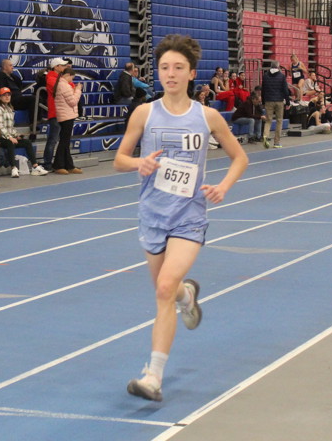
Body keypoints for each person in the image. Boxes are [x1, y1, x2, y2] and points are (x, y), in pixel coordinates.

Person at [114, 34, 248, 402]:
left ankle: (153, 376)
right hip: (152, 214)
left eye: (178, 67)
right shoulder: (145, 113)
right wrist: (139, 163)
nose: (170, 74)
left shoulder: (207, 116)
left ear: (191, 73)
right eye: (164, 68)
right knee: (169, 290)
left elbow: (240, 157)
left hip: (189, 215)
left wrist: (222, 187)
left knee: (162, 289)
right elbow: (119, 159)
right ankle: (187, 295)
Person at [0, 87, 47, 177]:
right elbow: (0, 127)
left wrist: (17, 135)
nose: (7, 97)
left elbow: (11, 127)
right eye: (4, 95)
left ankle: (35, 167)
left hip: (10, 136)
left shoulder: (10, 109)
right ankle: (13, 168)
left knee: (27, 142)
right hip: (1, 138)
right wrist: (9, 137)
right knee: (10, 143)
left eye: (8, 95)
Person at [52, 65, 83, 175]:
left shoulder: (62, 84)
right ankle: (58, 165)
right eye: (72, 78)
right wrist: (78, 90)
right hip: (66, 116)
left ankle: (69, 165)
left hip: (66, 115)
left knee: (65, 142)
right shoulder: (64, 85)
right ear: (68, 75)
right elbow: (73, 101)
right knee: (64, 142)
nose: (72, 81)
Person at [41, 57, 68, 171]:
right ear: (56, 67)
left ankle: (59, 162)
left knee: (59, 139)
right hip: (55, 112)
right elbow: (62, 89)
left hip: (62, 111)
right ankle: (47, 163)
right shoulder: (51, 78)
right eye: (62, 65)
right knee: (53, 139)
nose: (64, 67)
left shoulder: (58, 78)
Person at [261, 65, 289, 148]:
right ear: (278, 67)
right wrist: (287, 102)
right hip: (279, 101)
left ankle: (265, 135)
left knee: (268, 120)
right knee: (279, 121)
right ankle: (276, 142)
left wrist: (263, 101)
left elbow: (263, 90)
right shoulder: (282, 76)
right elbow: (285, 90)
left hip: (268, 100)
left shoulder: (265, 76)